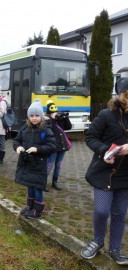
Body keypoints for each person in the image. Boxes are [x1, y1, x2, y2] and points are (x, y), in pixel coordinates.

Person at [80, 77, 128, 265]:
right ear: (122, 95)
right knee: (101, 211)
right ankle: (97, 241)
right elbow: (90, 137)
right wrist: (104, 150)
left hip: (125, 176)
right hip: (104, 173)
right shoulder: (106, 115)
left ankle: (115, 248)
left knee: (119, 213)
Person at [13, 99, 56, 218]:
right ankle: (30, 206)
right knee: (29, 186)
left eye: (37, 115)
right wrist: (18, 147)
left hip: (39, 164)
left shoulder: (46, 130)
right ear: (28, 117)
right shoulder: (24, 128)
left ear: (41, 116)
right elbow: (16, 140)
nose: (34, 118)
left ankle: (37, 210)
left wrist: (37, 149)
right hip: (27, 163)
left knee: (37, 188)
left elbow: (52, 146)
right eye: (31, 115)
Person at [45, 100, 72, 190]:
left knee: (58, 164)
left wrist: (65, 118)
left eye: (56, 112)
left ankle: (54, 181)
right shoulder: (47, 121)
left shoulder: (59, 120)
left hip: (62, 146)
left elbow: (68, 127)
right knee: (50, 164)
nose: (55, 114)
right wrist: (52, 119)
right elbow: (48, 129)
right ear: (49, 113)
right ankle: (42, 182)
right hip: (53, 147)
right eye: (52, 112)